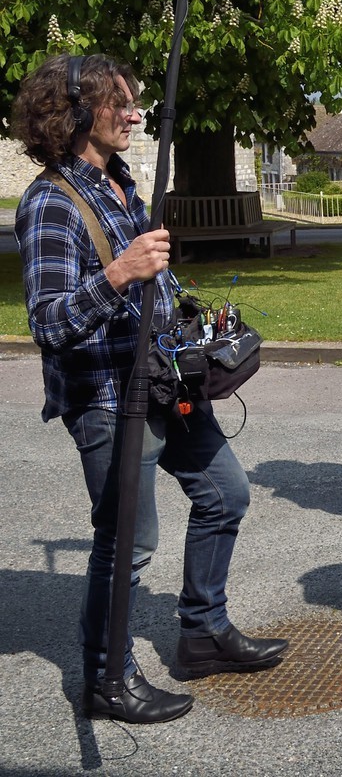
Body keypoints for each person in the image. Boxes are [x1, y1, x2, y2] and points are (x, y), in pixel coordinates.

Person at [13, 53, 286, 724]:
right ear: (75, 112)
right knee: (127, 544)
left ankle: (201, 631)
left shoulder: (121, 185)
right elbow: (49, 323)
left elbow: (152, 285)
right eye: (121, 102)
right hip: (107, 399)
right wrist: (120, 275)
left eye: (136, 101)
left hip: (164, 381)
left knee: (226, 494)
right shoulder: (51, 202)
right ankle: (107, 680)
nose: (136, 113)